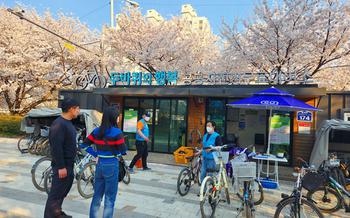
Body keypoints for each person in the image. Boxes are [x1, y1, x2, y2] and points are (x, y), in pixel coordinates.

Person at [80, 106, 127, 218]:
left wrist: (97, 154)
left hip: (99, 164)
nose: (119, 118)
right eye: (118, 116)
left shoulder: (96, 131)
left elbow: (84, 145)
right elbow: (123, 151)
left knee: (97, 196)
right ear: (114, 117)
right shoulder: (117, 132)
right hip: (111, 165)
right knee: (110, 198)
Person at [44, 98, 80, 218]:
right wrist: (61, 167)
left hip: (69, 164)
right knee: (55, 194)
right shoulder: (59, 124)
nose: (79, 111)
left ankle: (57, 212)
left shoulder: (68, 123)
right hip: (62, 166)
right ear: (71, 109)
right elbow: (56, 148)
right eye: (77, 108)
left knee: (61, 193)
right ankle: (50, 215)